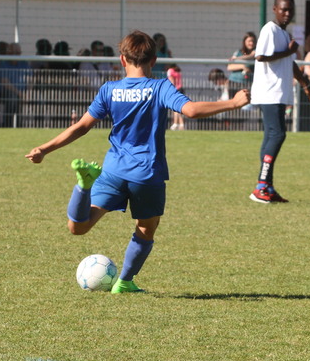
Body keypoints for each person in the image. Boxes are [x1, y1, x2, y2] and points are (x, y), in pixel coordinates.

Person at [24, 31, 250, 293]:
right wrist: (233, 103)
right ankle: (124, 281)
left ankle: (83, 187)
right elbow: (190, 110)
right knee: (146, 227)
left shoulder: (109, 90)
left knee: (78, 227)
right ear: (154, 60)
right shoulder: (160, 87)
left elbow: (81, 127)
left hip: (112, 170)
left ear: (122, 59)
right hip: (146, 174)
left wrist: (44, 149)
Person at [249, 0, 310, 203]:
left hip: (278, 92)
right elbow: (261, 56)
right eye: (283, 9)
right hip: (269, 92)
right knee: (278, 135)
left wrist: (307, 86)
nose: (287, 13)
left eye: (290, 9)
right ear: (275, 9)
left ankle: (267, 186)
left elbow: (290, 63)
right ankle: (261, 186)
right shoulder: (270, 29)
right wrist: (288, 51)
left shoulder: (283, 33)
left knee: (271, 137)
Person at [167, 63, 185, 130]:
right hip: (181, 89)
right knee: (179, 107)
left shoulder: (170, 71)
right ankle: (181, 124)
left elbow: (171, 81)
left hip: (175, 89)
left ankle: (175, 124)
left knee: (175, 107)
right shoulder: (178, 71)